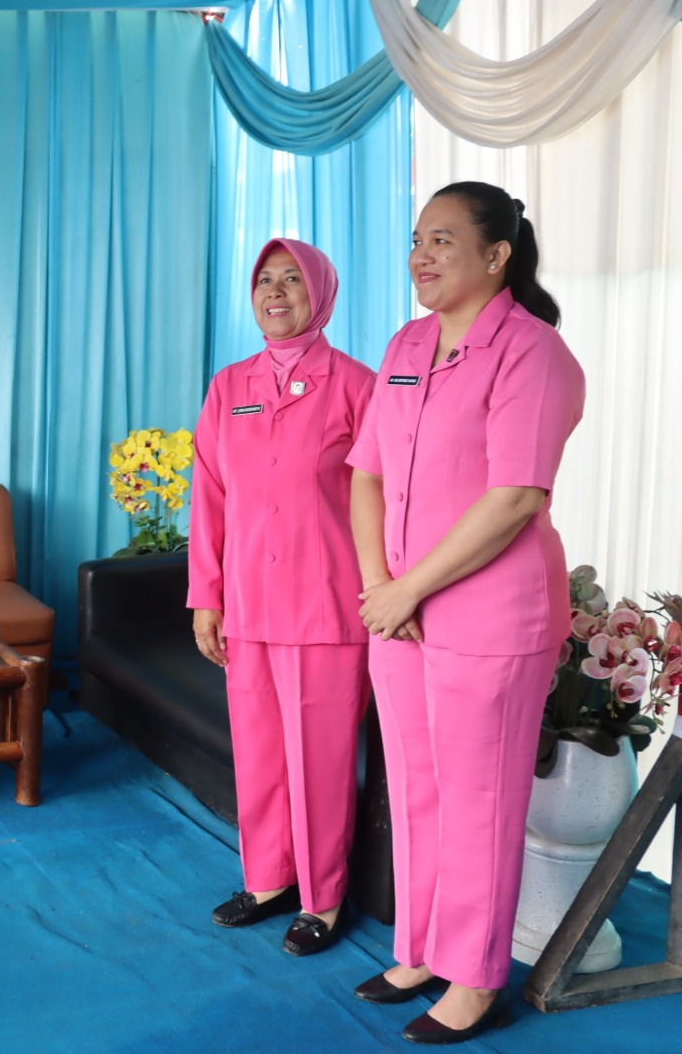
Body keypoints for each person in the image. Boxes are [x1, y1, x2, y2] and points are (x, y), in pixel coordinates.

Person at [346, 182, 584, 1044]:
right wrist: (381, 586)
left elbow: (516, 496)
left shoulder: (533, 352)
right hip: (398, 614)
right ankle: (419, 949)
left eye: (443, 239)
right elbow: (366, 473)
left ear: (496, 255)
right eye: (417, 239)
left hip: (490, 618)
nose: (423, 254)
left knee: (479, 799)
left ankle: (476, 977)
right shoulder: (406, 345)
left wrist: (409, 588)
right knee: (414, 786)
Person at [188, 238, 375, 957]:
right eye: (264, 279)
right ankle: (267, 879)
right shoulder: (228, 386)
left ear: (319, 292)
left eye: (291, 279)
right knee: (260, 752)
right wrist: (207, 597)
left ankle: (323, 898)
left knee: (320, 763)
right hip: (247, 604)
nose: (275, 291)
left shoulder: (357, 386)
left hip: (327, 607)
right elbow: (210, 498)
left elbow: (384, 497)